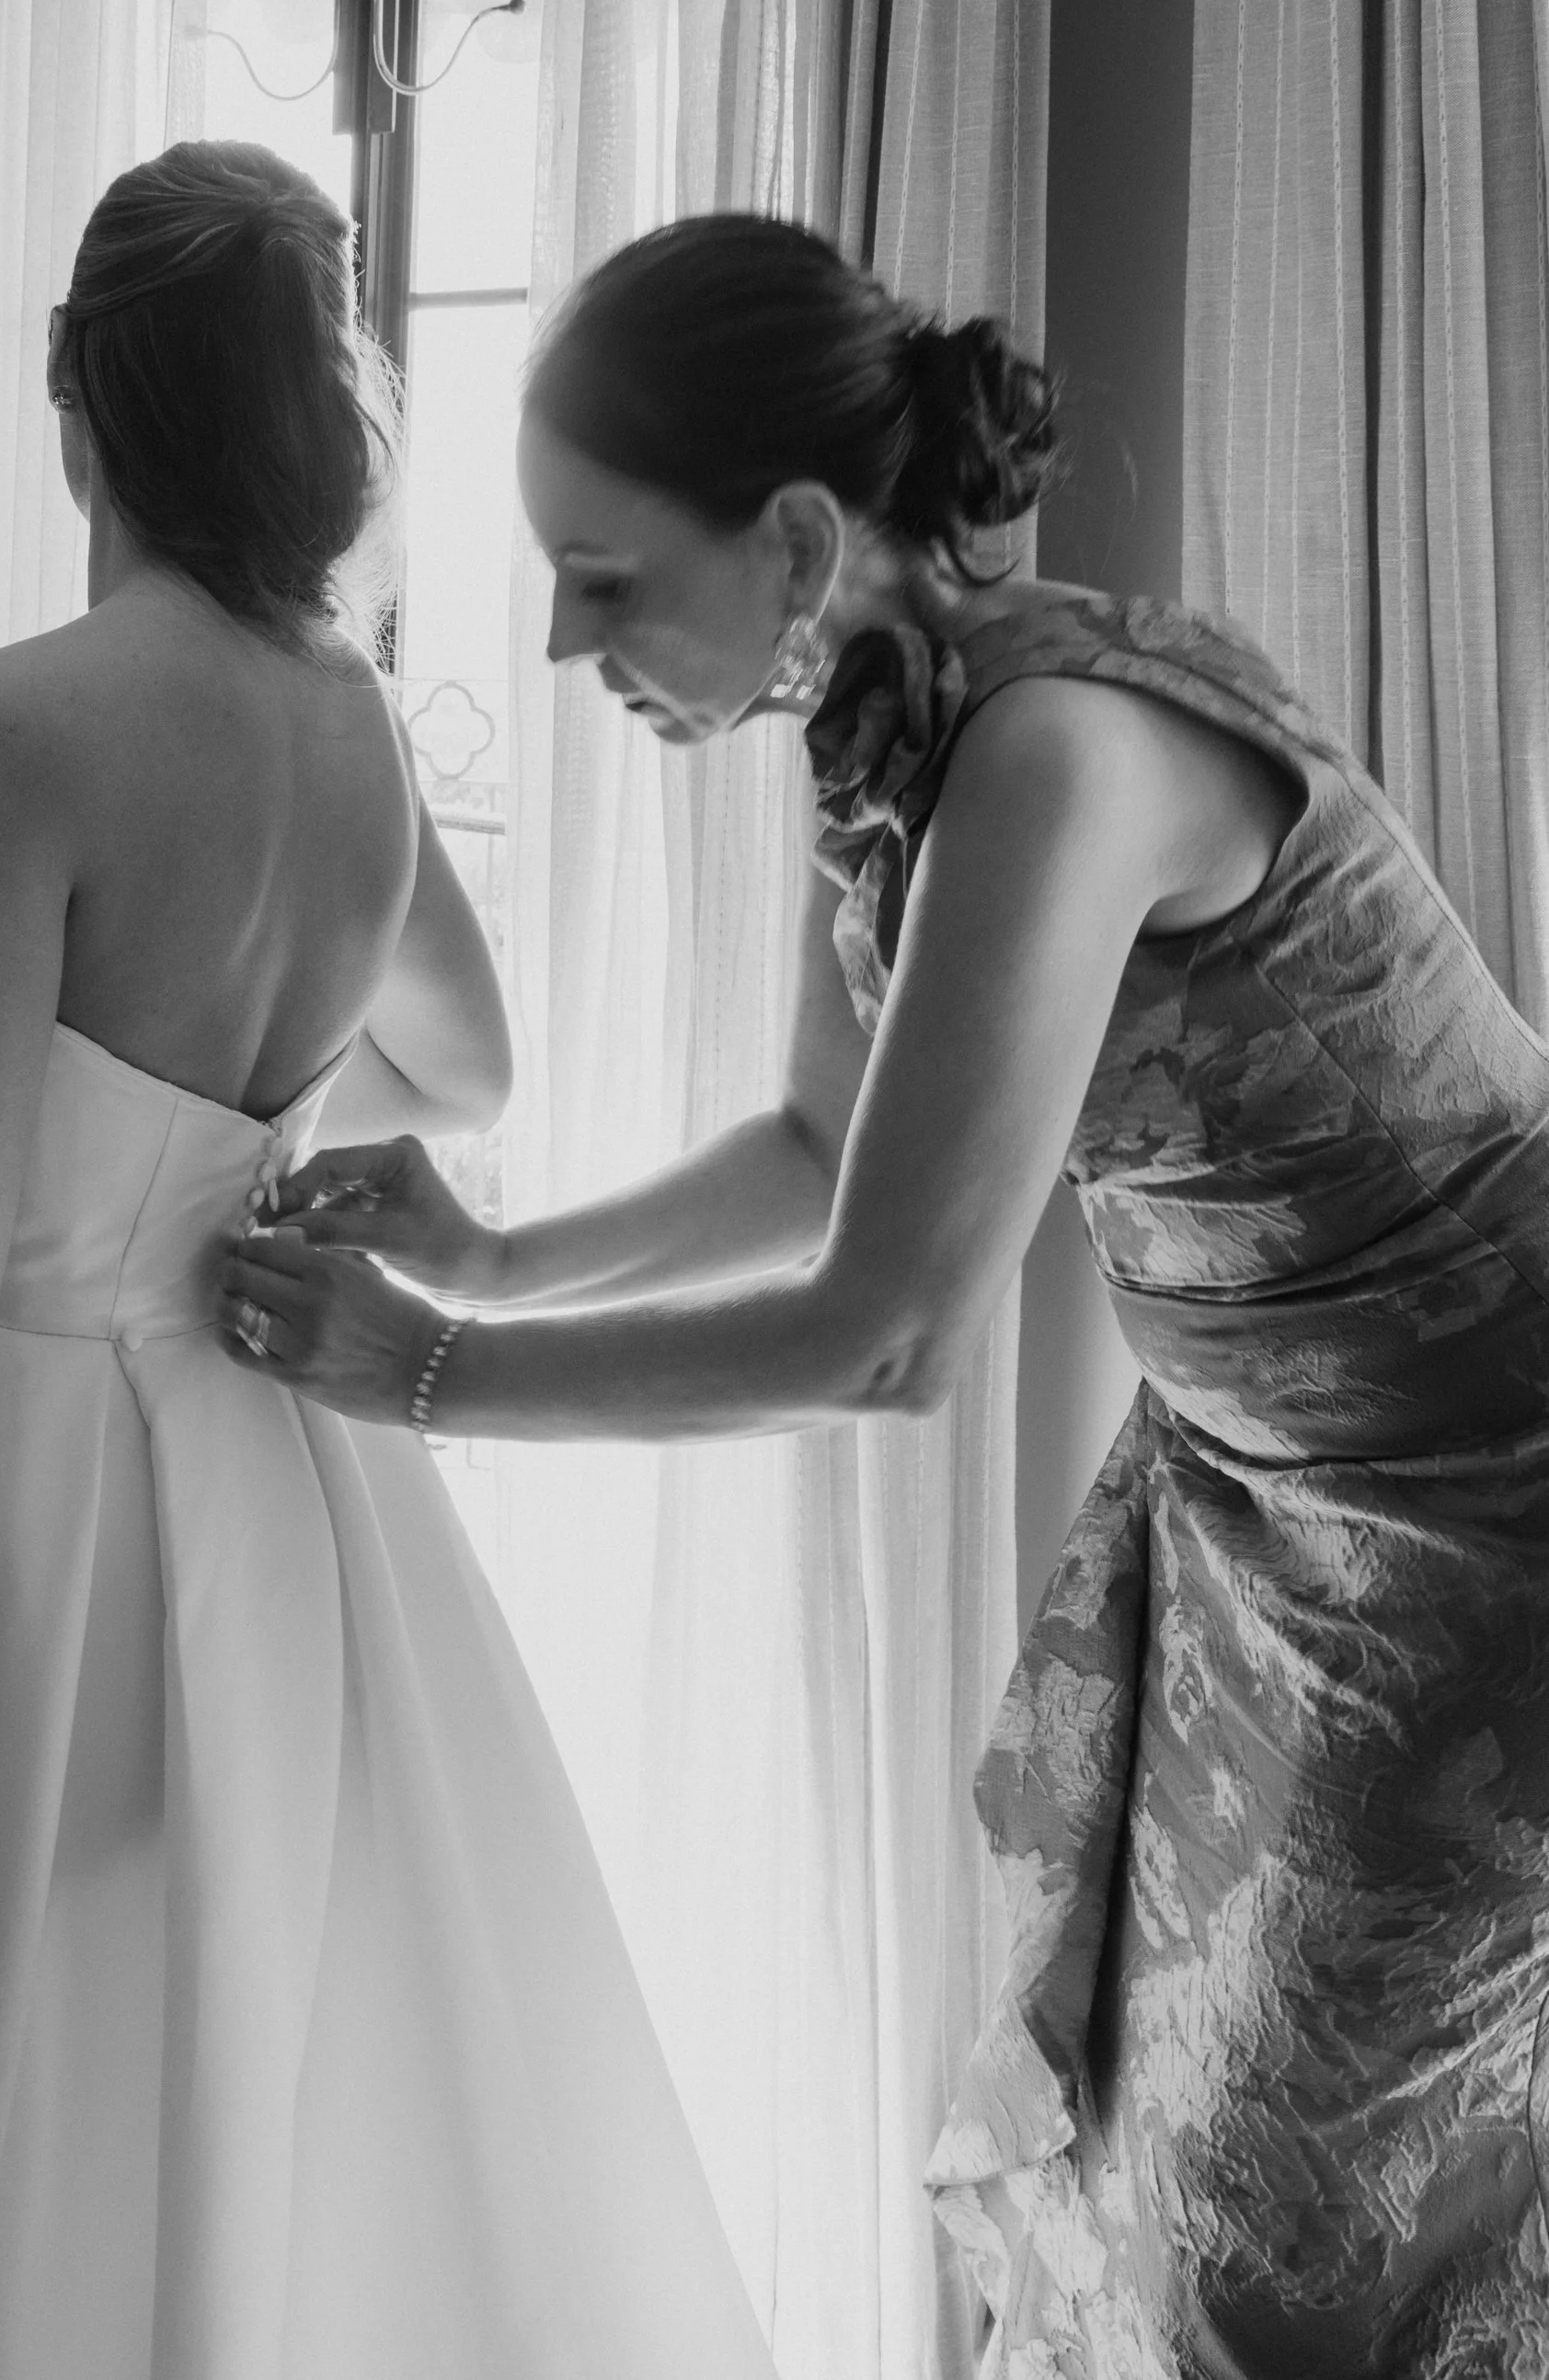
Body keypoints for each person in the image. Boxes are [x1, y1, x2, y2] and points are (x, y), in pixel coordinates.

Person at [220, 212, 1549, 2377]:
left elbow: (894, 1328)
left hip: (1486, 1497)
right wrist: (474, 1245)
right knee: (1155, 2151)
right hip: (1260, 1500)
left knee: (1283, 2229)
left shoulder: (1046, 754)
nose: (562, 642)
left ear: (803, 531)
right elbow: (818, 1159)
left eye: (604, 575)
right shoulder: (891, 752)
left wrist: (438, 1369)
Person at [0, 143, 774, 2380]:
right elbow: (471, 1066)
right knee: (223, 2023)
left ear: (75, 385)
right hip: (273, 1466)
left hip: (17, 1507)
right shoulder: (351, 720)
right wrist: (245, 1171)